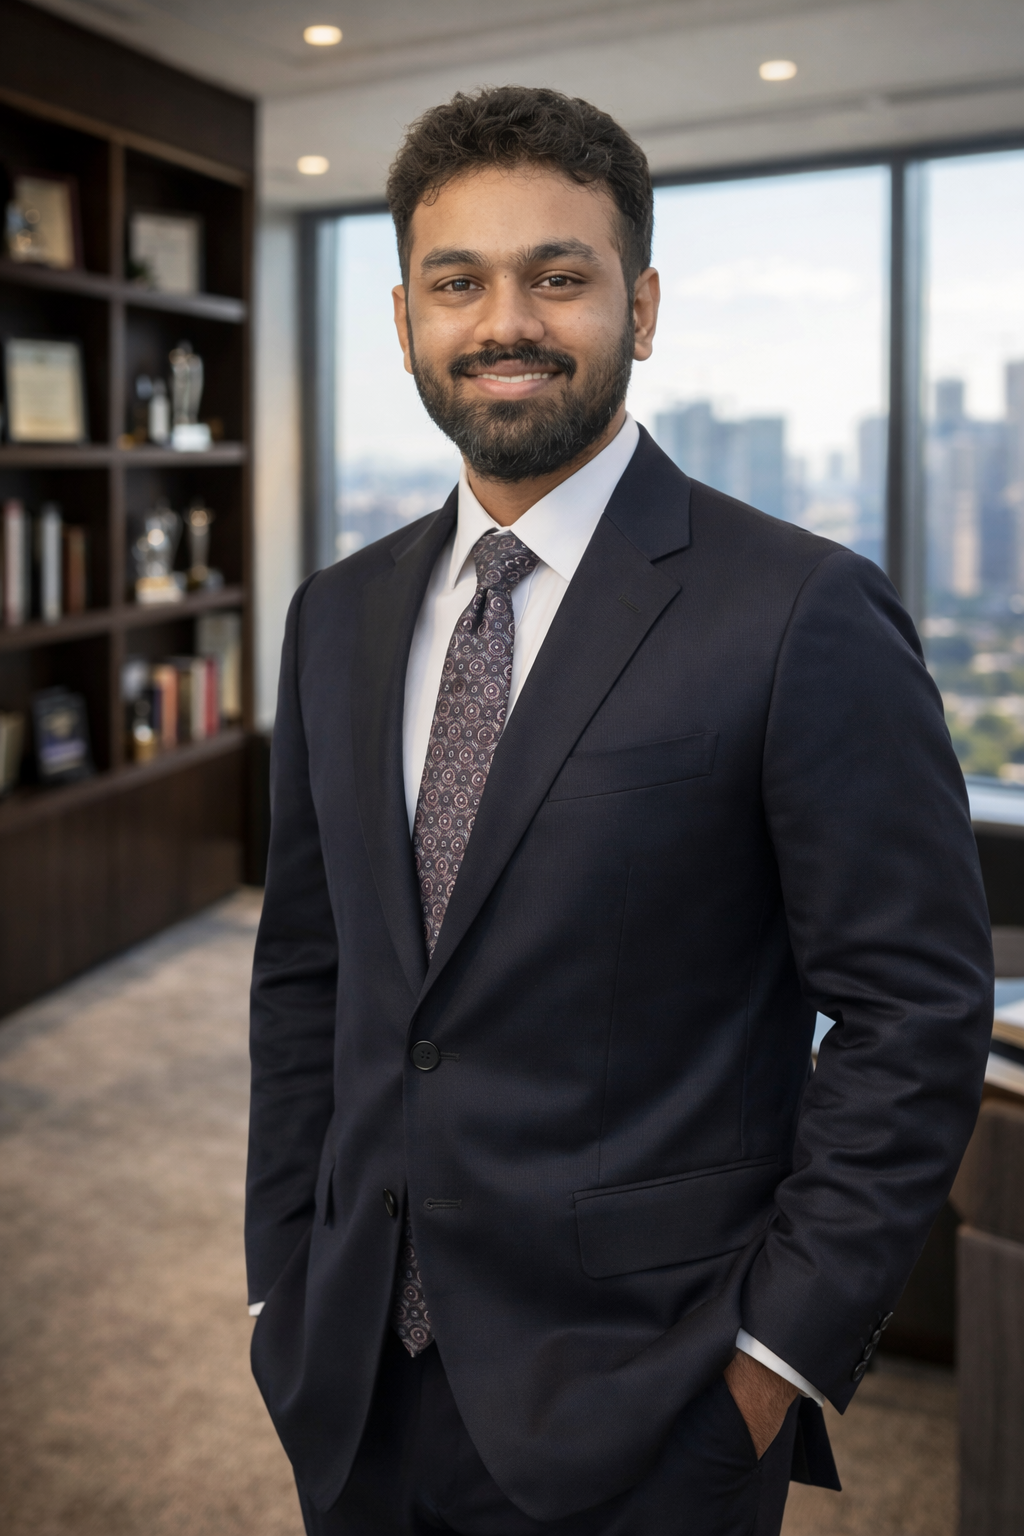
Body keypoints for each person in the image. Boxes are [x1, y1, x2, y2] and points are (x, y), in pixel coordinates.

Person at [246, 85, 993, 1536]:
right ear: (404, 319)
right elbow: (308, 973)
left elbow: (915, 1014)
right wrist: (282, 1271)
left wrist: (771, 1364)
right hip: (350, 1376)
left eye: (559, 275)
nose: (503, 321)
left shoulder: (800, 611)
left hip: (653, 1402)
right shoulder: (335, 616)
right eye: (458, 282)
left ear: (641, 309)